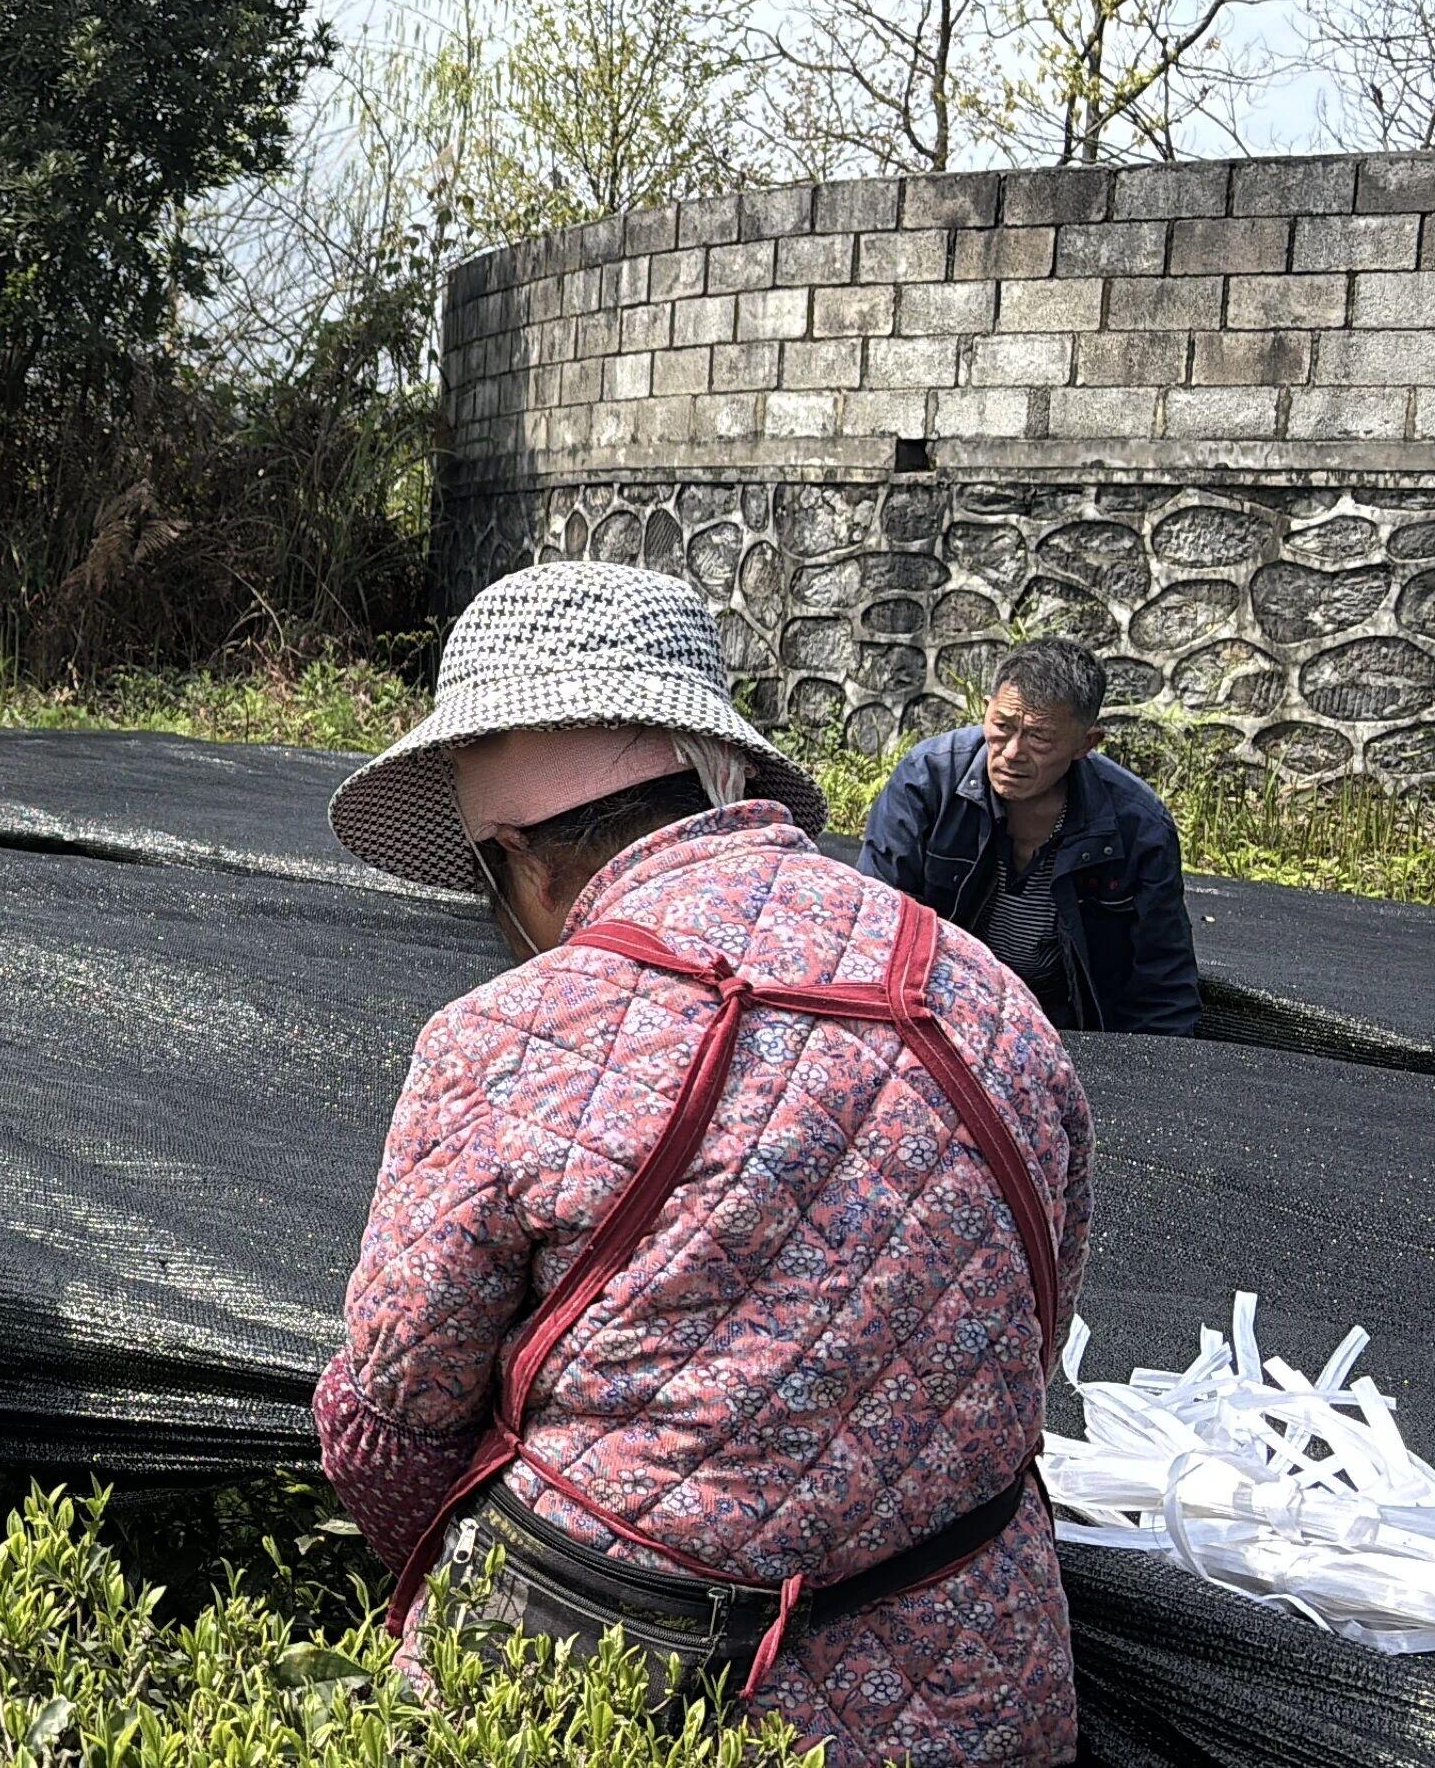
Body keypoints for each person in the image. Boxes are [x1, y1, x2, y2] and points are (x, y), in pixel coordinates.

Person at [314, 562, 1092, 1765]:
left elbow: (389, 1432)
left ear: (519, 860)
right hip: (983, 1680)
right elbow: (1028, 1341)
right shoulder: (984, 995)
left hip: (619, 1680)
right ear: (719, 779)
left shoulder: (503, 1037)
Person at [862, 637, 1201, 1036]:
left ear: (1086, 744)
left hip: (1066, 1031)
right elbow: (874, 930)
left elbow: (1164, 985)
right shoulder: (927, 781)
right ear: (986, 708)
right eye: (1002, 727)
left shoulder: (1138, 826)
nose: (1011, 753)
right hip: (939, 1015)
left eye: (1039, 738)